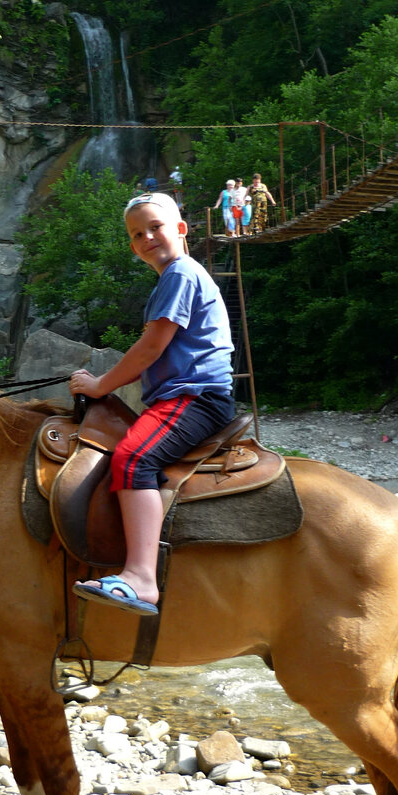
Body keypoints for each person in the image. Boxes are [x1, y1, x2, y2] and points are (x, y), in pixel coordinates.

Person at [69, 192, 235, 615]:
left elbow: (151, 348)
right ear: (132, 246)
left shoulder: (180, 274)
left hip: (193, 396)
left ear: (181, 229)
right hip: (187, 395)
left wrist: (100, 385)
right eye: (137, 233)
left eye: (155, 227)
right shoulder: (176, 277)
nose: (147, 237)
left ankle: (141, 578)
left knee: (132, 457)